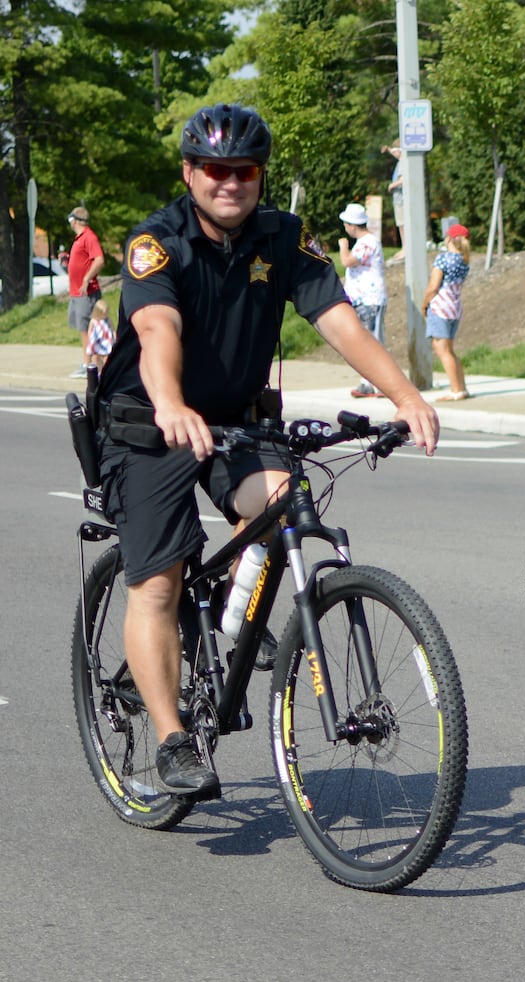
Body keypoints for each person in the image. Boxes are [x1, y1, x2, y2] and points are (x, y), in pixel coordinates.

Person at [96, 103, 439, 799]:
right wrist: (170, 403)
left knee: (284, 503)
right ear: (190, 173)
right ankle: (170, 738)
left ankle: (225, 614)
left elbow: (339, 321)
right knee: (158, 580)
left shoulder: (284, 239)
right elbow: (158, 328)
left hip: (237, 423)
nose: (230, 183)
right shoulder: (157, 242)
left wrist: (405, 396)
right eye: (215, 170)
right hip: (147, 422)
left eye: (244, 171)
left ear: (260, 176)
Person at [337, 202, 388, 398]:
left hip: (371, 299)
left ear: (351, 225)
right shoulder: (366, 242)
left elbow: (347, 261)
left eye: (345, 224)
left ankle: (383, 384)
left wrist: (343, 247)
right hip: (363, 299)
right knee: (365, 342)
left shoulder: (368, 242)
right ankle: (368, 383)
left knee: (373, 342)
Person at [422, 223, 471, 401]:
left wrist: (423, 304)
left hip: (440, 308)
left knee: (442, 350)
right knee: (450, 350)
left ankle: (455, 390)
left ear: (449, 238)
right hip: (454, 308)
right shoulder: (464, 261)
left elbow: (433, 287)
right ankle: (462, 387)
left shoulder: (443, 259)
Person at [66, 206, 105, 377]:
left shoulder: (89, 237)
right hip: (77, 293)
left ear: (74, 220)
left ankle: (89, 366)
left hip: (86, 293)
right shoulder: (79, 239)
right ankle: (89, 364)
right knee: (83, 329)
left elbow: (99, 260)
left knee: (89, 329)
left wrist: (86, 278)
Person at [384, 142, 406, 262]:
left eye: (394, 151)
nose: (393, 154)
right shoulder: (401, 161)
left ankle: (406, 248)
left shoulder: (403, 162)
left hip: (401, 200)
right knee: (401, 224)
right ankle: (404, 247)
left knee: (403, 225)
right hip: (399, 199)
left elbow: (403, 179)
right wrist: (388, 149)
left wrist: (392, 185)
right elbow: (394, 151)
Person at [84, 297, 115, 371]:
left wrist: (115, 336)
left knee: (107, 356)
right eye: (103, 314)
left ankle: (106, 370)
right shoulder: (94, 321)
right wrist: (90, 340)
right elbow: (90, 331)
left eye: (106, 314)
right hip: (97, 341)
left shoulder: (108, 320)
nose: (105, 316)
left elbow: (112, 329)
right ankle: (97, 370)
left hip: (106, 341)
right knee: (96, 357)